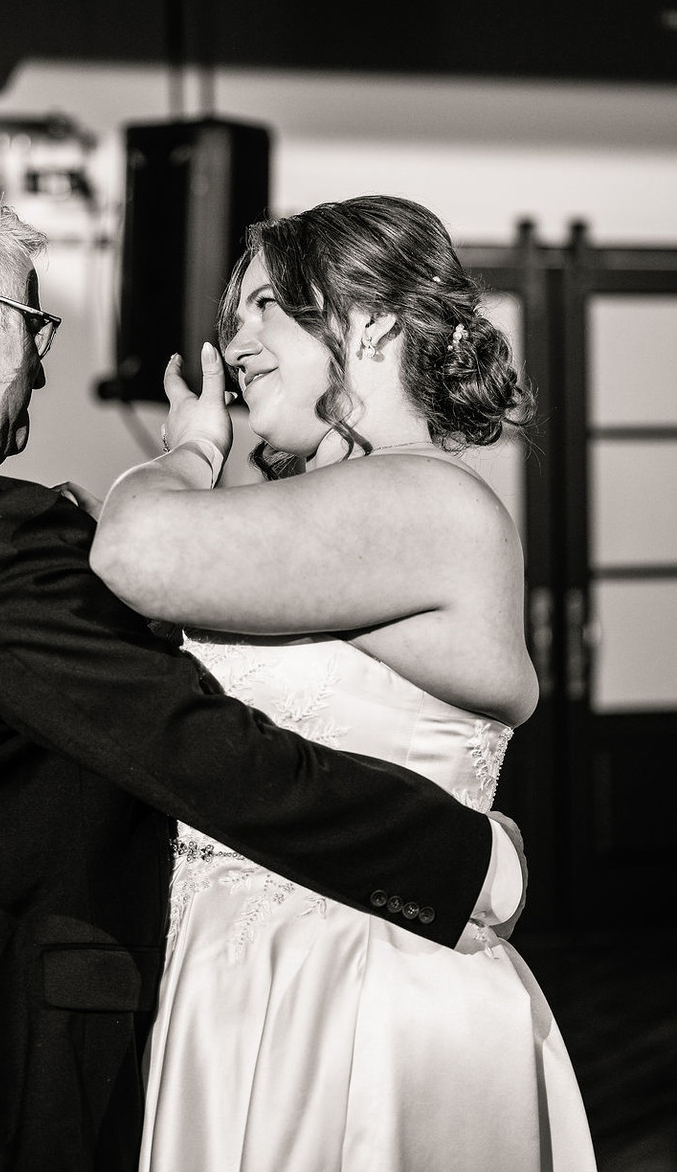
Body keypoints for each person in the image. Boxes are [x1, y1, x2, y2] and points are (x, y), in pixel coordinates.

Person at [0, 183, 526, 1172]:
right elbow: (184, 737)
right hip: (0, 1052)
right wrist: (458, 858)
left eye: (264, 306)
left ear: (368, 321)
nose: (45, 362)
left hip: (336, 986)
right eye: (33, 321)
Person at [89, 195, 597, 1172]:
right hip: (248, 984)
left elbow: (137, 545)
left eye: (261, 308)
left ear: (363, 320)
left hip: (357, 997)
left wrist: (190, 448)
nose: (229, 339)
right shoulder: (327, 510)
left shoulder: (423, 498)